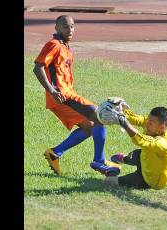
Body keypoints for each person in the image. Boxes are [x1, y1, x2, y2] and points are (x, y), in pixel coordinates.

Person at [33, 15, 120, 176]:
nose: (70, 29)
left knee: (90, 127)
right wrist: (52, 91)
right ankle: (99, 162)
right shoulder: (54, 44)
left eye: (72, 26)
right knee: (99, 115)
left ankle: (55, 153)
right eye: (66, 26)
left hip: (67, 95)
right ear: (57, 28)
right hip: (61, 96)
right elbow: (38, 67)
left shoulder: (66, 47)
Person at [104, 106, 167, 190]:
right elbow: (135, 118)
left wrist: (124, 123)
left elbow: (140, 139)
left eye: (151, 123)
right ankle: (125, 158)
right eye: (148, 120)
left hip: (149, 181)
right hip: (145, 160)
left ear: (162, 127)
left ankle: (114, 169)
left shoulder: (164, 144)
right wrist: (120, 110)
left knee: (108, 182)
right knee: (139, 153)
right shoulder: (150, 123)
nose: (147, 124)